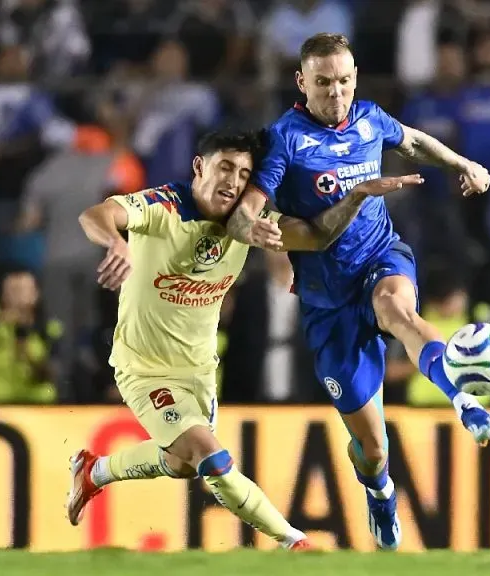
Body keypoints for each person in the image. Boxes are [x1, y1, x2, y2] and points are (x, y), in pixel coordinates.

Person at [67, 129, 419, 550]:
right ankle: (294, 544)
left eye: (244, 173)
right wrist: (116, 243)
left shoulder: (248, 223)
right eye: (225, 167)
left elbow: (316, 235)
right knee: (211, 458)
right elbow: (96, 215)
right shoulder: (162, 206)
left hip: (199, 370)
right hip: (144, 368)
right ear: (200, 167)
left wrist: (356, 196)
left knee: (181, 463)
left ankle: (94, 472)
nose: (233, 181)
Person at [225, 33, 490, 550]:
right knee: (372, 450)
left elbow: (415, 141)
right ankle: (379, 489)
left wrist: (462, 164)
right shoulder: (284, 138)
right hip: (328, 300)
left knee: (397, 309)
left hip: (381, 256)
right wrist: (252, 228)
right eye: (325, 82)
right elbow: (249, 207)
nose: (337, 93)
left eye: (345, 81)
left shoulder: (370, 118)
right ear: (301, 82)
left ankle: (464, 401)